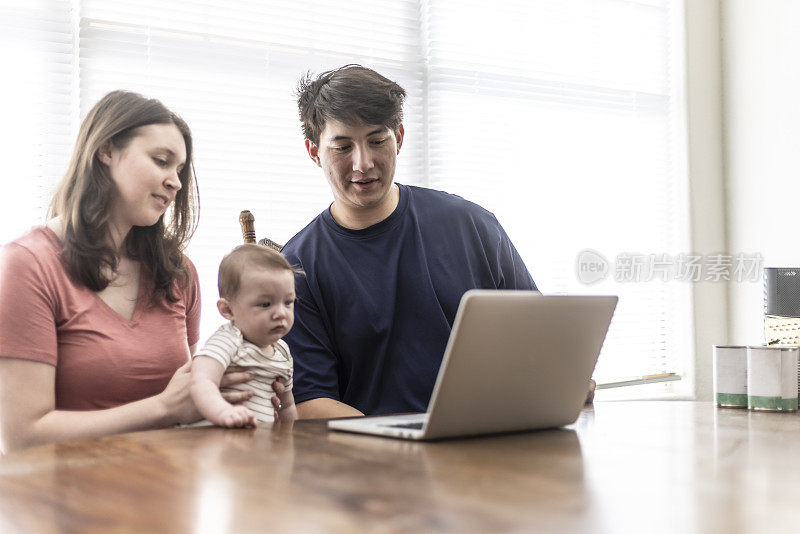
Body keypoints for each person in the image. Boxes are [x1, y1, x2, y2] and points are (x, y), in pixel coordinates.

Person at [0, 91, 281, 453]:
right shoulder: (27, 266)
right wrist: (163, 407)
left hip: (167, 494)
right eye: (161, 161)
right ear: (106, 150)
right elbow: (21, 434)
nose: (176, 182)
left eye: (179, 169)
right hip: (65, 499)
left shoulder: (179, 273)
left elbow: (190, 399)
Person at [282, 65, 546, 419]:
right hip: (373, 458)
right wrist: (399, 448)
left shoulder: (470, 224)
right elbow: (310, 400)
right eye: (343, 147)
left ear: (400, 138)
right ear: (314, 153)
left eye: (377, 141)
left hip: (490, 440)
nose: (363, 163)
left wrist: (564, 382)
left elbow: (538, 336)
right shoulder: (297, 266)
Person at [190, 244, 299, 427]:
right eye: (265, 304)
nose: (281, 313)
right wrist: (224, 412)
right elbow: (201, 381)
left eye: (288, 302)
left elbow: (287, 406)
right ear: (228, 310)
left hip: (256, 444)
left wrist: (291, 437)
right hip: (215, 434)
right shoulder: (230, 339)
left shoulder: (283, 352)